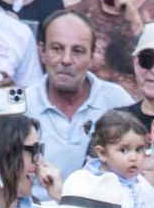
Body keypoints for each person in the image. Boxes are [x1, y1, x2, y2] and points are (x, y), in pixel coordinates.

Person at [29, 10, 137, 182]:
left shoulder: (116, 101)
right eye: (57, 48)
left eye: (78, 51)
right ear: (42, 52)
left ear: (92, 57)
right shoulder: (24, 105)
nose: (66, 59)